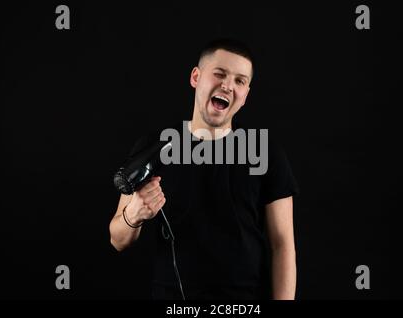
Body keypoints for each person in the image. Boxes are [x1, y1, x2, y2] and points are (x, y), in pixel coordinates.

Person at [109, 38, 299, 300]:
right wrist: (133, 214)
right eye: (219, 74)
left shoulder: (265, 152)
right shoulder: (155, 147)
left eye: (239, 81)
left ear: (245, 95)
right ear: (196, 77)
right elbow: (117, 239)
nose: (228, 86)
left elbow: (283, 245)